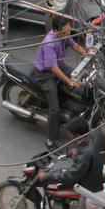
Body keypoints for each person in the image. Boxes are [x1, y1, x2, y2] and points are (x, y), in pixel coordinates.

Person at [33, 16, 87, 148]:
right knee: (54, 109)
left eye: (69, 31)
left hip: (58, 65)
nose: (68, 34)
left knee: (81, 76)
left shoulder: (64, 35)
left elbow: (74, 45)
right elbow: (54, 69)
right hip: (46, 74)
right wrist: (69, 82)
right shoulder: (49, 43)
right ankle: (51, 139)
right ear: (56, 30)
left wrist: (89, 55)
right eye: (65, 32)